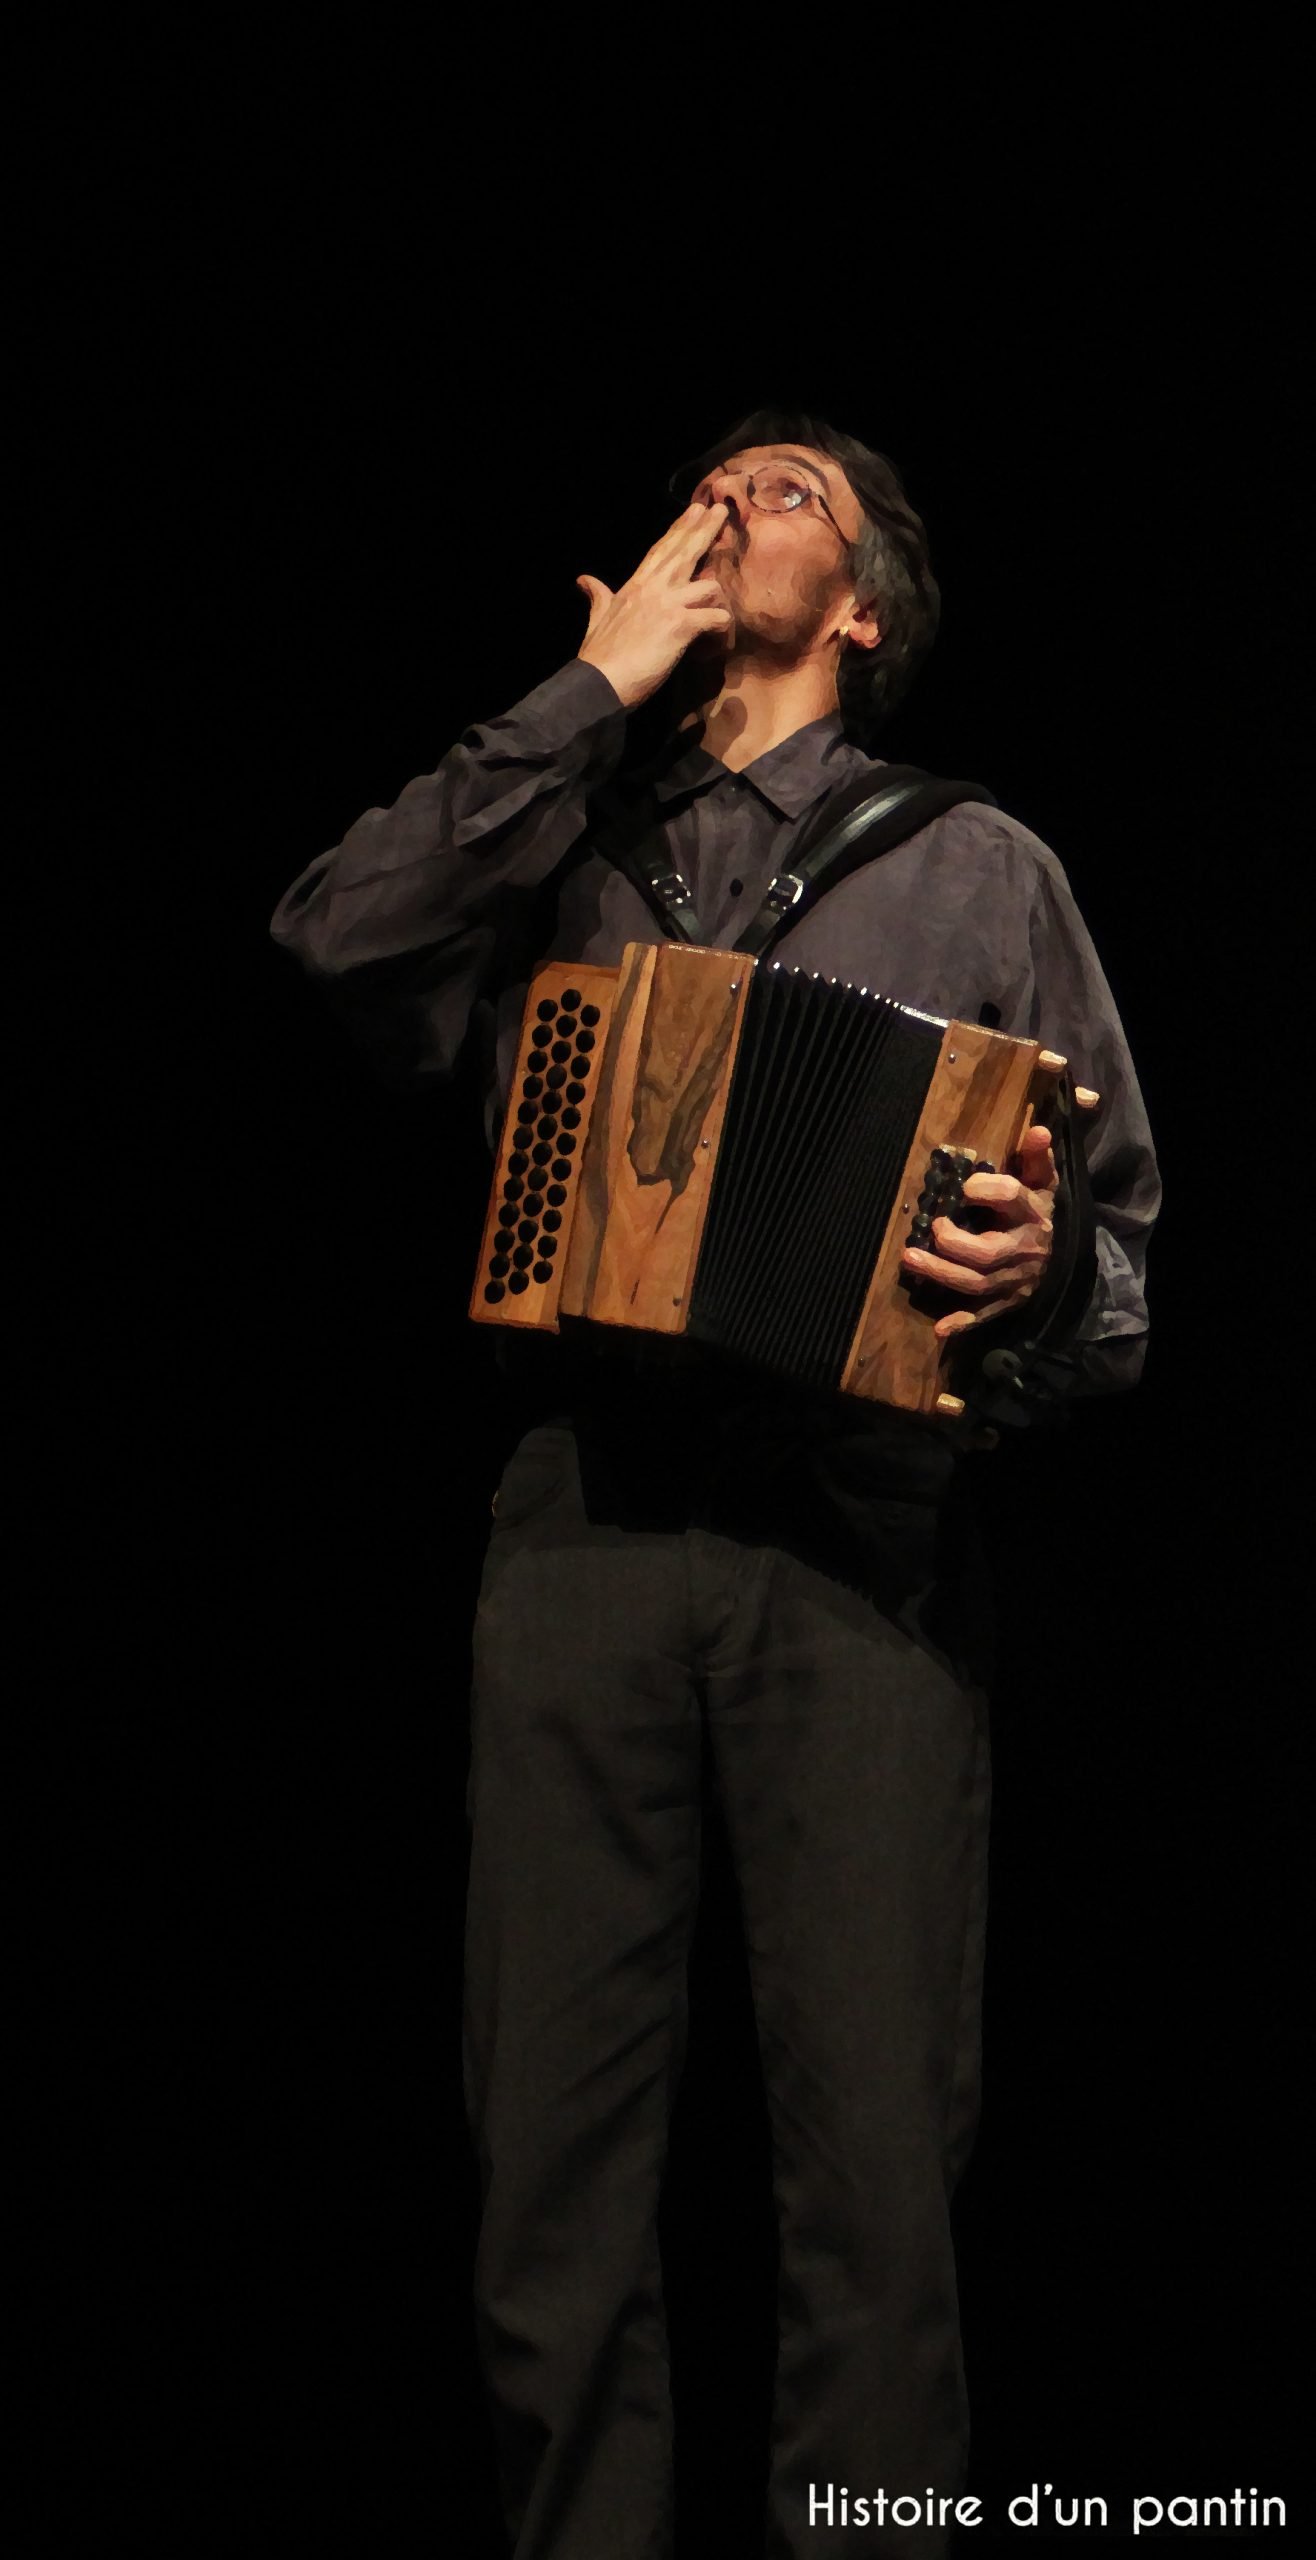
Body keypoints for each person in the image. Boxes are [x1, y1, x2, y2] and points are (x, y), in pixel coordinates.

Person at [269, 407, 1160, 2558]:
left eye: (788, 492)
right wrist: (584, 694)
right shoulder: (560, 833)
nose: (730, 503)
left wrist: (1041, 1272)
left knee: (873, 2173)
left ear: (860, 609)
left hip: (858, 1544)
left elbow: (1123, 1273)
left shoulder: (977, 865)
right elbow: (333, 939)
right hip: (580, 1518)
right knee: (549, 2166)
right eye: (713, 482)